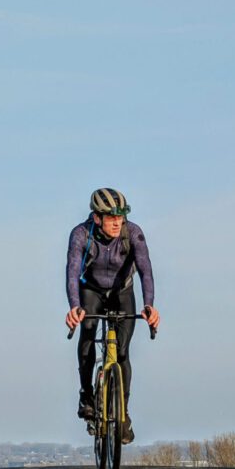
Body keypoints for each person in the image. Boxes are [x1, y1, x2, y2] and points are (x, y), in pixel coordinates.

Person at [65, 187, 160, 444]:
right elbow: (72, 271)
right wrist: (74, 306)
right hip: (91, 291)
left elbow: (146, 271)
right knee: (88, 332)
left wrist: (149, 305)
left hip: (122, 292)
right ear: (97, 218)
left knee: (122, 352)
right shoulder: (81, 234)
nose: (118, 222)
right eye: (111, 217)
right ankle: (87, 395)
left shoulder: (133, 233)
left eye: (121, 216)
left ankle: (123, 414)